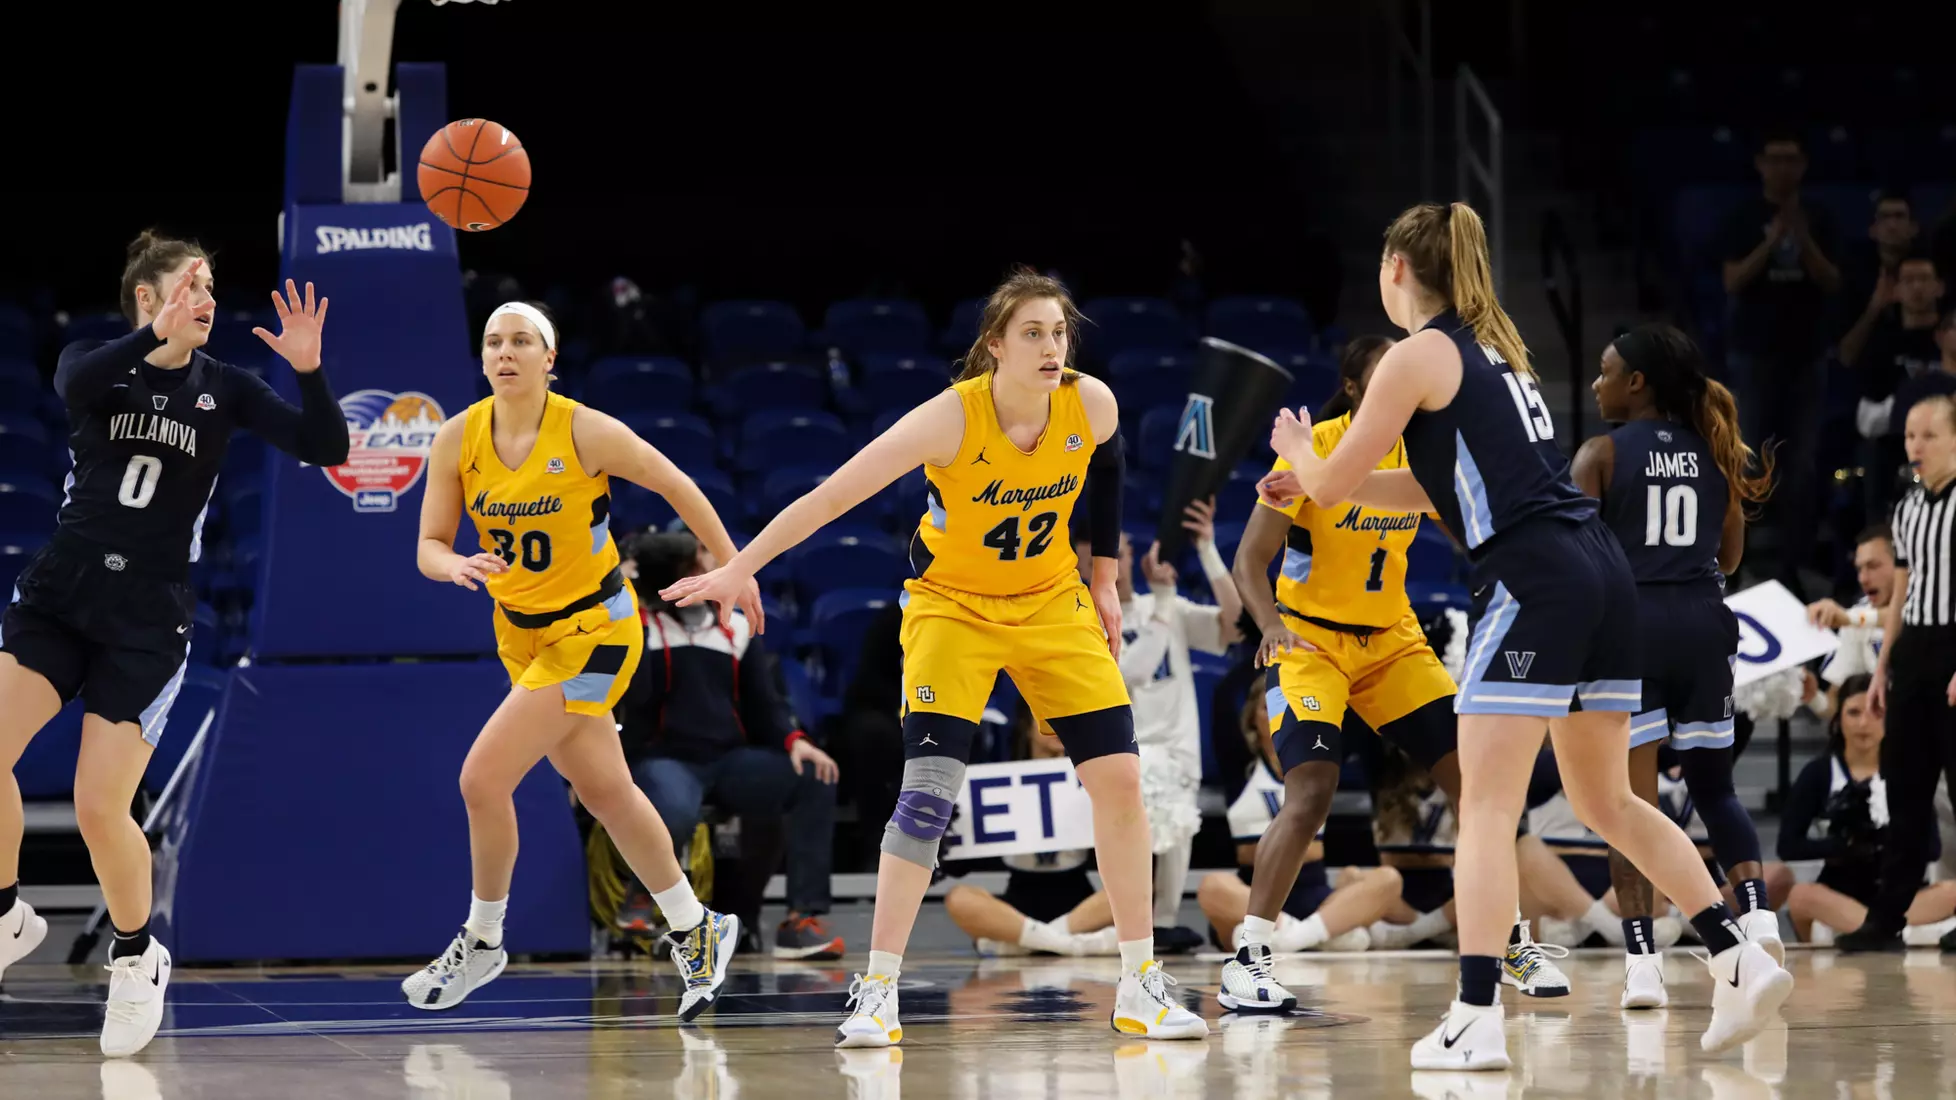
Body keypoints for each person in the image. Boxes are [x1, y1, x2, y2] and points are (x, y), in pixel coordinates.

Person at [1262, 201, 1792, 1069]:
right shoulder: (1496, 351)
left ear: (1398, 270)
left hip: (1531, 579)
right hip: (1599, 573)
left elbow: (1335, 469)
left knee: (1488, 806)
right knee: (1608, 801)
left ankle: (1474, 1016)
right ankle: (1736, 954)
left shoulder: (1415, 353)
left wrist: (1297, 453)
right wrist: (1325, 486)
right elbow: (1430, 490)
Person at [661, 267, 1207, 1046]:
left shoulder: (1090, 402)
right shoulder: (950, 419)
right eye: (1033, 334)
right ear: (995, 346)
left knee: (1120, 776)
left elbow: (1111, 468)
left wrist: (1106, 581)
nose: (1052, 347)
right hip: (953, 606)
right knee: (927, 794)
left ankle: (1139, 982)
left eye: (1059, 333)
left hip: (1051, 599)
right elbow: (830, 498)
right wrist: (739, 566)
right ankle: (878, 988)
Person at [0, 233, 348, 1057]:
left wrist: (306, 367)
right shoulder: (98, 361)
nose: (208, 300)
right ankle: (8, 914)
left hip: (148, 620)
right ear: (148, 301)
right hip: (61, 597)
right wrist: (153, 334)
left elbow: (328, 448)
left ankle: (136, 957)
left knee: (98, 807)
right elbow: (75, 381)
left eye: (214, 287)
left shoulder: (226, 388)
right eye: (192, 285)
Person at [408, 301, 762, 1019]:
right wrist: (452, 568)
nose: (506, 352)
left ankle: (483, 938)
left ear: (550, 359)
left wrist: (736, 567)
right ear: (482, 361)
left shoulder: (584, 429)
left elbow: (678, 485)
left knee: (481, 779)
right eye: (494, 343)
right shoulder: (457, 438)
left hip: (599, 630)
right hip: (523, 635)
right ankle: (698, 928)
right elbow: (429, 544)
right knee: (606, 793)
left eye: (522, 342)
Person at [1224, 334, 1571, 1014]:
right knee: (1311, 793)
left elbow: (1471, 533)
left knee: (1477, 790)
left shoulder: (1423, 451)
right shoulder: (1314, 444)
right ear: (1357, 389)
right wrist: (1267, 624)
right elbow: (1250, 558)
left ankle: (1506, 941)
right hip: (1310, 642)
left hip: (1391, 642)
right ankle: (1250, 955)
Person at [1571, 323, 1782, 1010]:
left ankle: (1643, 966)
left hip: (1632, 631)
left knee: (1629, 806)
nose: (1597, 382)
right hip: (1703, 624)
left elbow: (1574, 562)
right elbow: (1728, 560)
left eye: (1606, 372)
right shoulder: (1716, 450)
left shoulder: (1600, 453)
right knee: (1715, 788)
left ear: (1637, 384)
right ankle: (1757, 916)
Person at [616, 529, 844, 961]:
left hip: (728, 759)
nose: (709, 571)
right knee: (675, 809)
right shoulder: (636, 628)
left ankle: (800, 920)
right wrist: (640, 610)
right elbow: (634, 703)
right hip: (665, 757)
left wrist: (795, 741)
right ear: (671, 577)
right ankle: (642, 898)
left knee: (814, 776)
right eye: (696, 566)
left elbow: (764, 703)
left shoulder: (735, 627)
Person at [1075, 499, 1241, 944]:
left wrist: (1206, 549)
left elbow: (1236, 622)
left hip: (1177, 748)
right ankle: (1137, 926)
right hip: (1125, 754)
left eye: (1119, 553)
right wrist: (1166, 600)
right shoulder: (1083, 620)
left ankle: (1161, 923)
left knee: (1175, 806)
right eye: (1094, 561)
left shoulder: (1165, 607)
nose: (1113, 566)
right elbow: (1134, 672)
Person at [1842, 394, 1956, 951]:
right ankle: (1887, 916)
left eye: (1928, 435)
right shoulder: (1908, 508)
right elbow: (1902, 592)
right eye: (1910, 435)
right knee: (1906, 790)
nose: (1916, 446)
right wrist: (1884, 665)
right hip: (1914, 651)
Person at [1197, 673, 1398, 967]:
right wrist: (1270, 647)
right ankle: (1322, 934)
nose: (1279, 716)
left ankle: (1290, 938)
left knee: (1388, 880)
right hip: (1253, 893)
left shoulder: (1319, 762)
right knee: (1213, 886)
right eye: (1268, 709)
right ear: (1252, 718)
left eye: (1286, 707)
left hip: (1313, 892)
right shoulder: (1239, 767)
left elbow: (1351, 716)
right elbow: (1224, 699)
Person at [1717, 127, 1840, 593]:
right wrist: (1773, 241)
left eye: (1792, 158)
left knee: (1803, 466)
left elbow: (1832, 281)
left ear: (1803, 166)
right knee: (1746, 460)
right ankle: (1737, 565)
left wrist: (1802, 238)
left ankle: (1793, 565)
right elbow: (1732, 280)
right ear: (1761, 165)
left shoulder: (1820, 218)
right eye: (1776, 157)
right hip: (1754, 356)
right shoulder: (1744, 217)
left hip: (1807, 357)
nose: (1784, 167)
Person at [1781, 674, 1956, 946]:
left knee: (1952, 891)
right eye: (1853, 712)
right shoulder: (1819, 772)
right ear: (1838, 720)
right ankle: (1890, 931)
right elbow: (1788, 845)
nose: (1864, 723)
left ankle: (1878, 929)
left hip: (1902, 897)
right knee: (1801, 896)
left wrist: (1888, 842)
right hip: (1840, 895)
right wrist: (1841, 846)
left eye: (1876, 712)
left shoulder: (1909, 773)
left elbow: (1932, 848)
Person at [942, 704, 1121, 958]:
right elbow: (962, 863)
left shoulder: (1092, 776)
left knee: (1129, 890)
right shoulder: (1000, 779)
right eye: (1047, 721)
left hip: (1081, 905)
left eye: (1066, 721)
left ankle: (1024, 944)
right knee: (959, 898)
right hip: (1017, 906)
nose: (1057, 729)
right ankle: (1067, 944)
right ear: (1027, 727)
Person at [1804, 524, 1897, 722]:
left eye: (1873, 566)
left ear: (1902, 565)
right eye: (1859, 569)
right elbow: (1836, 705)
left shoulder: (1937, 601)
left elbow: (1907, 618)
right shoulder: (1858, 616)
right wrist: (1812, 697)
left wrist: (1849, 619)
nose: (1863, 578)